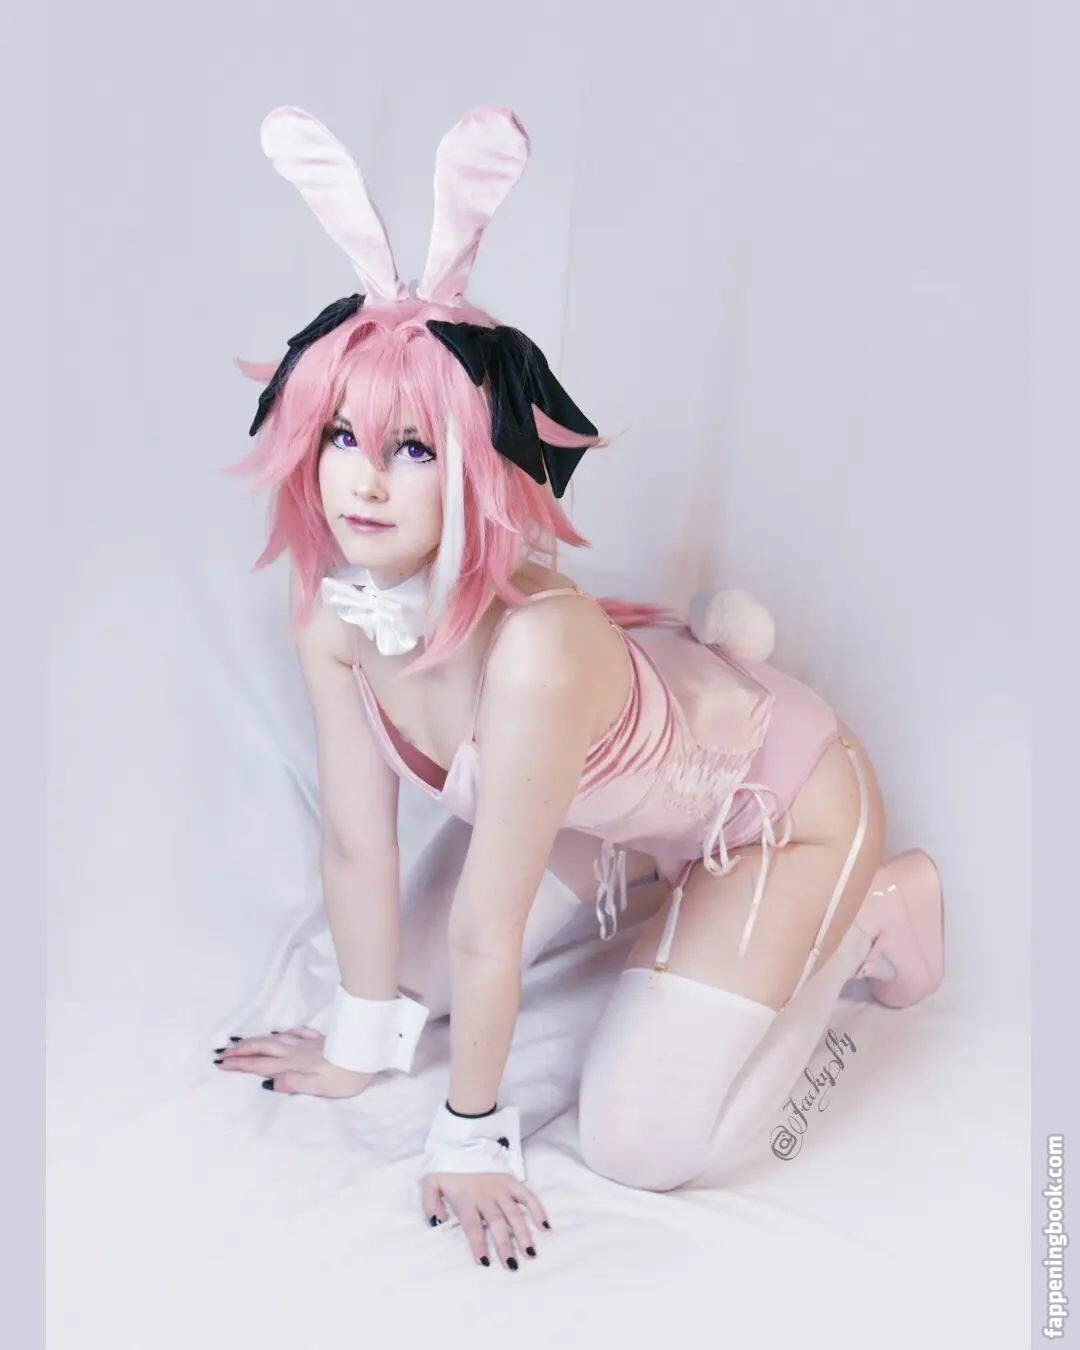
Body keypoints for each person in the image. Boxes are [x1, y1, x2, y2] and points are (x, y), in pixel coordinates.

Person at [216, 103, 945, 1272]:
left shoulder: (536, 651)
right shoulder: (334, 616)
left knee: (641, 1146)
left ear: (480, 465)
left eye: (414, 449)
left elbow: (489, 925)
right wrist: (357, 1046)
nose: (364, 484)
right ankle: (659, 881)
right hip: (616, 814)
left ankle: (873, 906)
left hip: (780, 808)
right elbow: (355, 847)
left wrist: (468, 1137)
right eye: (342, 437)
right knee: (399, 992)